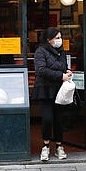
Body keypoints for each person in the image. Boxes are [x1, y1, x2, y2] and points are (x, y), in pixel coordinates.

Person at [32, 27, 72, 161]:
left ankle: (59, 147)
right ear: (49, 40)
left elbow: (64, 66)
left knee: (59, 120)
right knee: (48, 119)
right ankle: (46, 146)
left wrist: (67, 72)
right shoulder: (40, 51)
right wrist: (61, 75)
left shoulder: (62, 52)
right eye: (57, 38)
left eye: (60, 38)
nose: (60, 41)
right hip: (45, 89)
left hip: (59, 90)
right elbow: (41, 70)